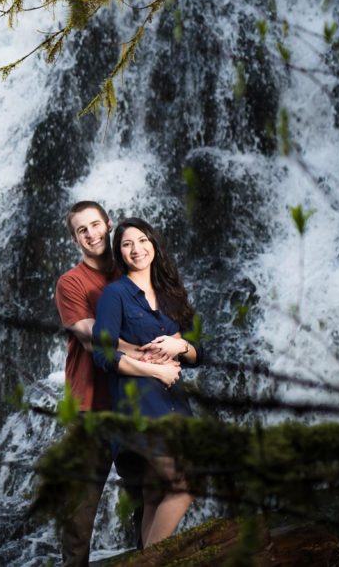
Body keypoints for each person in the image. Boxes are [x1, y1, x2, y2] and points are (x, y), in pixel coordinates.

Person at [54, 202, 169, 566]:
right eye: (81, 230)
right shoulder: (70, 283)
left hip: (136, 403)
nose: (91, 234)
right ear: (74, 238)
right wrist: (150, 351)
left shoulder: (132, 268)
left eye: (95, 225)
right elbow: (95, 339)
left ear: (108, 224)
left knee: (148, 495)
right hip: (92, 406)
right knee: (80, 507)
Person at [92, 217, 200, 548]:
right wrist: (155, 370)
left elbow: (200, 352)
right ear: (120, 253)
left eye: (142, 240)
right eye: (127, 244)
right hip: (137, 407)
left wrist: (178, 346)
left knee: (156, 493)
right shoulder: (116, 294)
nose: (136, 249)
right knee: (183, 484)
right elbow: (102, 353)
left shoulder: (171, 294)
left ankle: (145, 558)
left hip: (174, 405)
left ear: (153, 243)